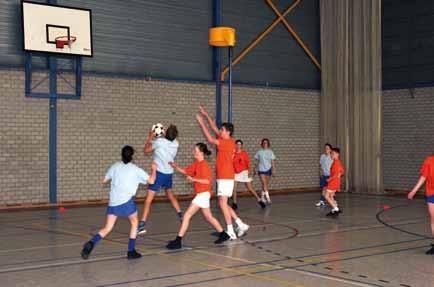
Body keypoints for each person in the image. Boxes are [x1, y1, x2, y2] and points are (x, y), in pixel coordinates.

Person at [81, 146, 157, 260]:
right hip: (126, 201)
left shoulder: (115, 166)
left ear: (121, 155)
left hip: (113, 202)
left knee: (108, 228)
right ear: (132, 156)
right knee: (135, 223)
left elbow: (104, 180)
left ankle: (91, 242)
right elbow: (151, 181)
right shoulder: (135, 169)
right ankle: (131, 251)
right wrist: (154, 169)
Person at [196, 105, 249, 239]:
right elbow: (214, 128)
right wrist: (206, 114)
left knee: (222, 203)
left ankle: (230, 230)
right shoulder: (225, 139)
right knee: (223, 203)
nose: (220, 131)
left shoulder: (229, 143)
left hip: (226, 176)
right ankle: (240, 224)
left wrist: (202, 123)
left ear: (228, 132)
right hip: (223, 176)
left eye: (222, 130)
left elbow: (210, 139)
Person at [166, 143, 231, 249]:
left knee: (187, 215)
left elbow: (207, 181)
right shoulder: (196, 163)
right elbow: (186, 171)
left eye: (195, 150)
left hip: (203, 194)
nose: (193, 152)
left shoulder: (205, 165)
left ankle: (178, 241)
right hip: (202, 194)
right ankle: (223, 234)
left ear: (201, 152)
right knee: (209, 217)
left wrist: (194, 179)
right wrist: (175, 166)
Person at [138, 124, 183, 235]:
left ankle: (142, 225)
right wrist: (163, 135)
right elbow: (169, 139)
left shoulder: (159, 142)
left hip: (159, 174)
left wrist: (150, 136)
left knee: (148, 200)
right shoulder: (176, 143)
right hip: (169, 173)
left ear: (166, 133)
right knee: (170, 195)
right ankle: (181, 215)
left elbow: (146, 150)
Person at [407, 154, 434, 255]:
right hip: (432, 193)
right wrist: (414, 191)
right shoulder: (429, 160)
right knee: (433, 219)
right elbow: (423, 177)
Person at [232, 139, 266, 209]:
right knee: (234, 189)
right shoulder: (233, 153)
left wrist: (249, 172)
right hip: (235, 173)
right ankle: (234, 203)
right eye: (237, 144)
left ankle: (259, 200)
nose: (238, 146)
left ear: (241, 145)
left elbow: (248, 163)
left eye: (240, 144)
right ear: (235, 145)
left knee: (250, 188)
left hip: (244, 172)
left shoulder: (244, 153)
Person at [254, 138, 276, 204]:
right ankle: (268, 198)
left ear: (268, 144)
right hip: (261, 169)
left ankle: (262, 197)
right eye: (264, 143)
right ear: (262, 144)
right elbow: (257, 161)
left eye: (266, 143)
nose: (265, 144)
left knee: (265, 184)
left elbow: (272, 161)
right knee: (264, 183)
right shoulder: (259, 152)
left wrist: (273, 170)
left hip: (268, 169)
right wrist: (255, 168)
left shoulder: (271, 152)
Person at [324, 148, 344, 216]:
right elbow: (342, 171)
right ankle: (334, 209)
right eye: (331, 154)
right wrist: (339, 174)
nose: (331, 155)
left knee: (326, 196)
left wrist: (330, 179)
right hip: (336, 181)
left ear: (337, 154)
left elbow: (336, 174)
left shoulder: (336, 163)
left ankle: (336, 209)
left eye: (333, 154)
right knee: (331, 196)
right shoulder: (337, 162)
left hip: (333, 182)